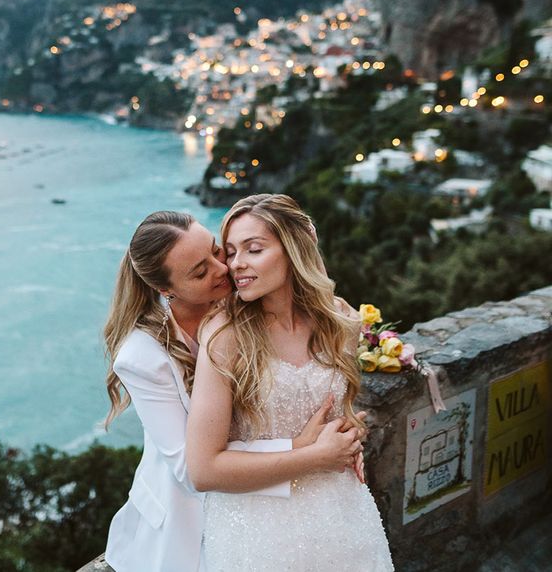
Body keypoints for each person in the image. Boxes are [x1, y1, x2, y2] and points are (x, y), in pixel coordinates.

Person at [103, 211, 365, 572]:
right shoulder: (142, 356)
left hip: (282, 504)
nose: (223, 269)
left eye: (216, 252)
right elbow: (189, 468)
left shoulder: (246, 300)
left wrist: (344, 432)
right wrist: (304, 448)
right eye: (200, 271)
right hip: (190, 517)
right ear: (166, 290)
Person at [186, 194, 394, 571]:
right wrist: (316, 456)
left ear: (294, 247)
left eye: (254, 249)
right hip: (257, 531)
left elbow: (337, 411)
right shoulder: (226, 336)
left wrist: (349, 436)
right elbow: (203, 470)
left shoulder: (340, 318)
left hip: (342, 516)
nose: (236, 265)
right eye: (231, 252)